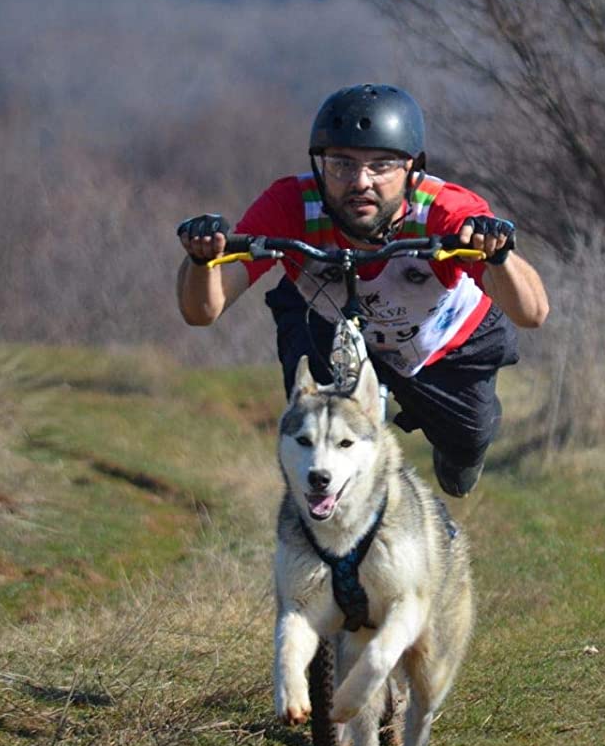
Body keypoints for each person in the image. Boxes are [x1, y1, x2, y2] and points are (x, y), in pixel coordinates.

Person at [176, 83, 549, 498]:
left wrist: (496, 256)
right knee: (315, 431)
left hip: (445, 345)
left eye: (382, 166)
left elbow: (533, 313)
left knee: (465, 452)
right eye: (341, 164)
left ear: (412, 169)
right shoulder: (291, 204)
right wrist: (201, 259)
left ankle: (460, 447)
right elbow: (202, 310)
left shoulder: (446, 211)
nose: (360, 182)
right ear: (320, 167)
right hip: (331, 328)